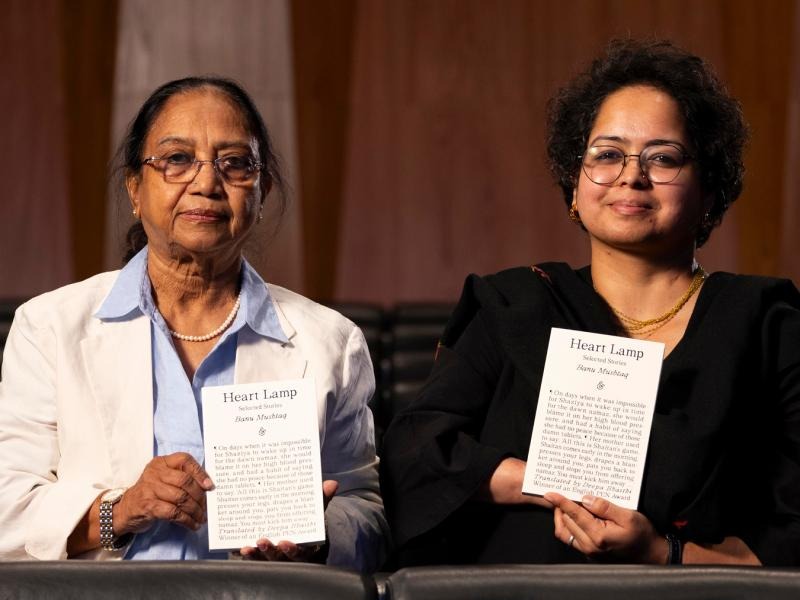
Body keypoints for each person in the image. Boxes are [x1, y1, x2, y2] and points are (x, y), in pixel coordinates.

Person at [381, 39, 800, 567]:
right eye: (607, 154)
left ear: (710, 190)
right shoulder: (513, 305)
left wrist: (661, 553)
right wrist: (551, 484)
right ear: (574, 190)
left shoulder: (768, 324)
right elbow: (415, 453)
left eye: (663, 158)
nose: (631, 175)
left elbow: (790, 537)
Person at [0, 76, 387, 572]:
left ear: (262, 191)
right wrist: (122, 508)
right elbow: (8, 510)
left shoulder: (331, 342)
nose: (206, 183)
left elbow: (366, 513)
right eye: (178, 159)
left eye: (234, 163)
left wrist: (319, 538)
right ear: (135, 188)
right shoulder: (50, 328)